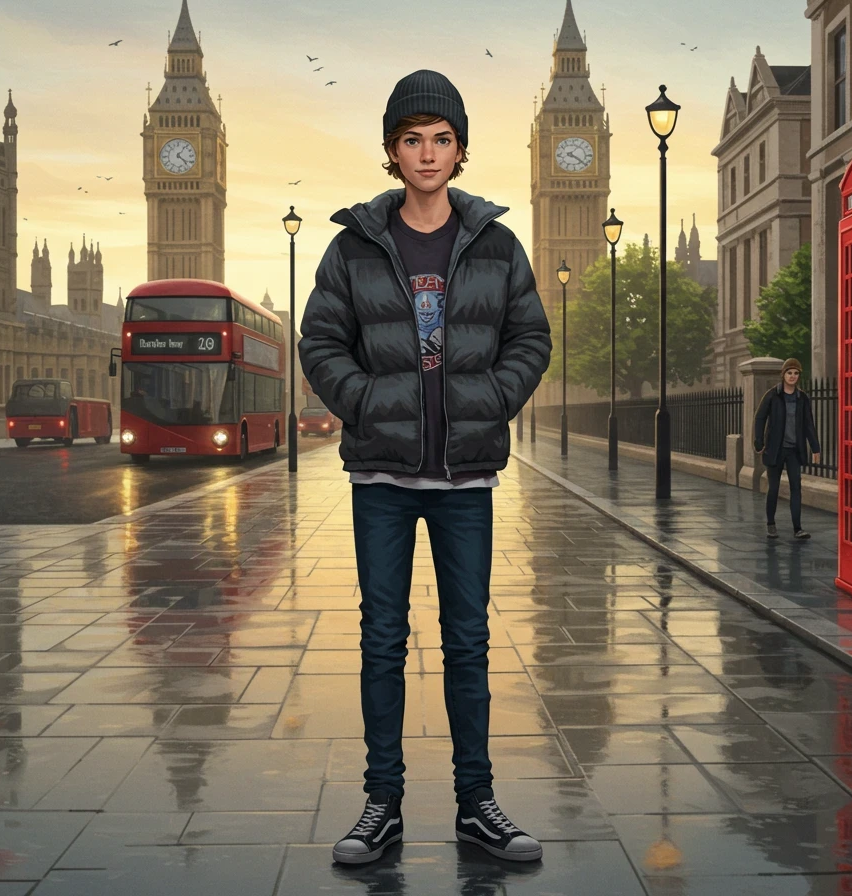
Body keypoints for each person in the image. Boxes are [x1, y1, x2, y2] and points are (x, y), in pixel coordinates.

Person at [298, 69, 551, 865]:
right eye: (413, 139)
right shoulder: (352, 246)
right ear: (392, 151)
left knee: (468, 642)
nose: (428, 153)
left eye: (441, 139)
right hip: (381, 477)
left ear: (461, 149)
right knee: (381, 641)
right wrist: (367, 402)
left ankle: (476, 804)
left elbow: (531, 341)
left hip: (465, 479)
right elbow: (319, 343)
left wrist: (489, 401)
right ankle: (383, 804)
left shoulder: (498, 245)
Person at [753, 358, 821, 539]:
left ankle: (797, 528)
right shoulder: (772, 395)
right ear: (783, 374)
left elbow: (809, 424)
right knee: (773, 488)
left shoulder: (802, 398)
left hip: (794, 450)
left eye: (796, 373)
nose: (792, 376)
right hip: (775, 449)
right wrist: (758, 441)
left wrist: (815, 447)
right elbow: (760, 418)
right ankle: (771, 524)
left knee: (796, 488)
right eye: (789, 373)